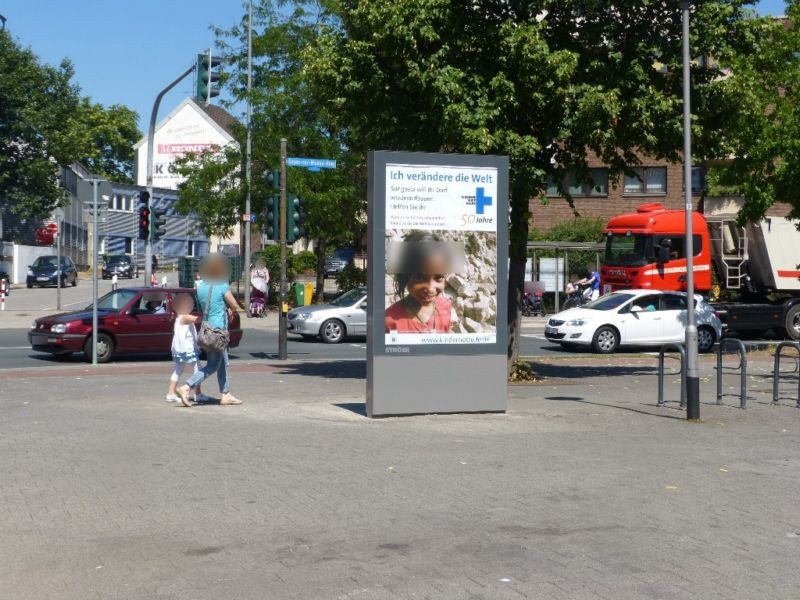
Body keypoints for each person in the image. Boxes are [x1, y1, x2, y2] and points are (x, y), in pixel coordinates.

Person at [177, 253, 243, 407]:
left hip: (207, 330)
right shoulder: (221, 286)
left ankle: (226, 394)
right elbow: (234, 304)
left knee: (224, 363)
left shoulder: (200, 288)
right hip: (218, 330)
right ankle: (187, 387)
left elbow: (211, 304)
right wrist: (231, 309)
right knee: (213, 365)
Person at [385, 231, 453, 334]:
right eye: (419, 277)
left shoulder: (446, 307)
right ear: (405, 276)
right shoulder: (389, 320)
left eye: (438, 277)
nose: (430, 289)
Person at [165, 293, 204, 403]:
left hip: (180, 349)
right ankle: (198, 394)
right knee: (199, 371)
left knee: (178, 370)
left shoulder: (178, 318)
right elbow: (197, 319)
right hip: (187, 349)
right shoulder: (184, 317)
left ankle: (171, 393)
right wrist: (209, 315)